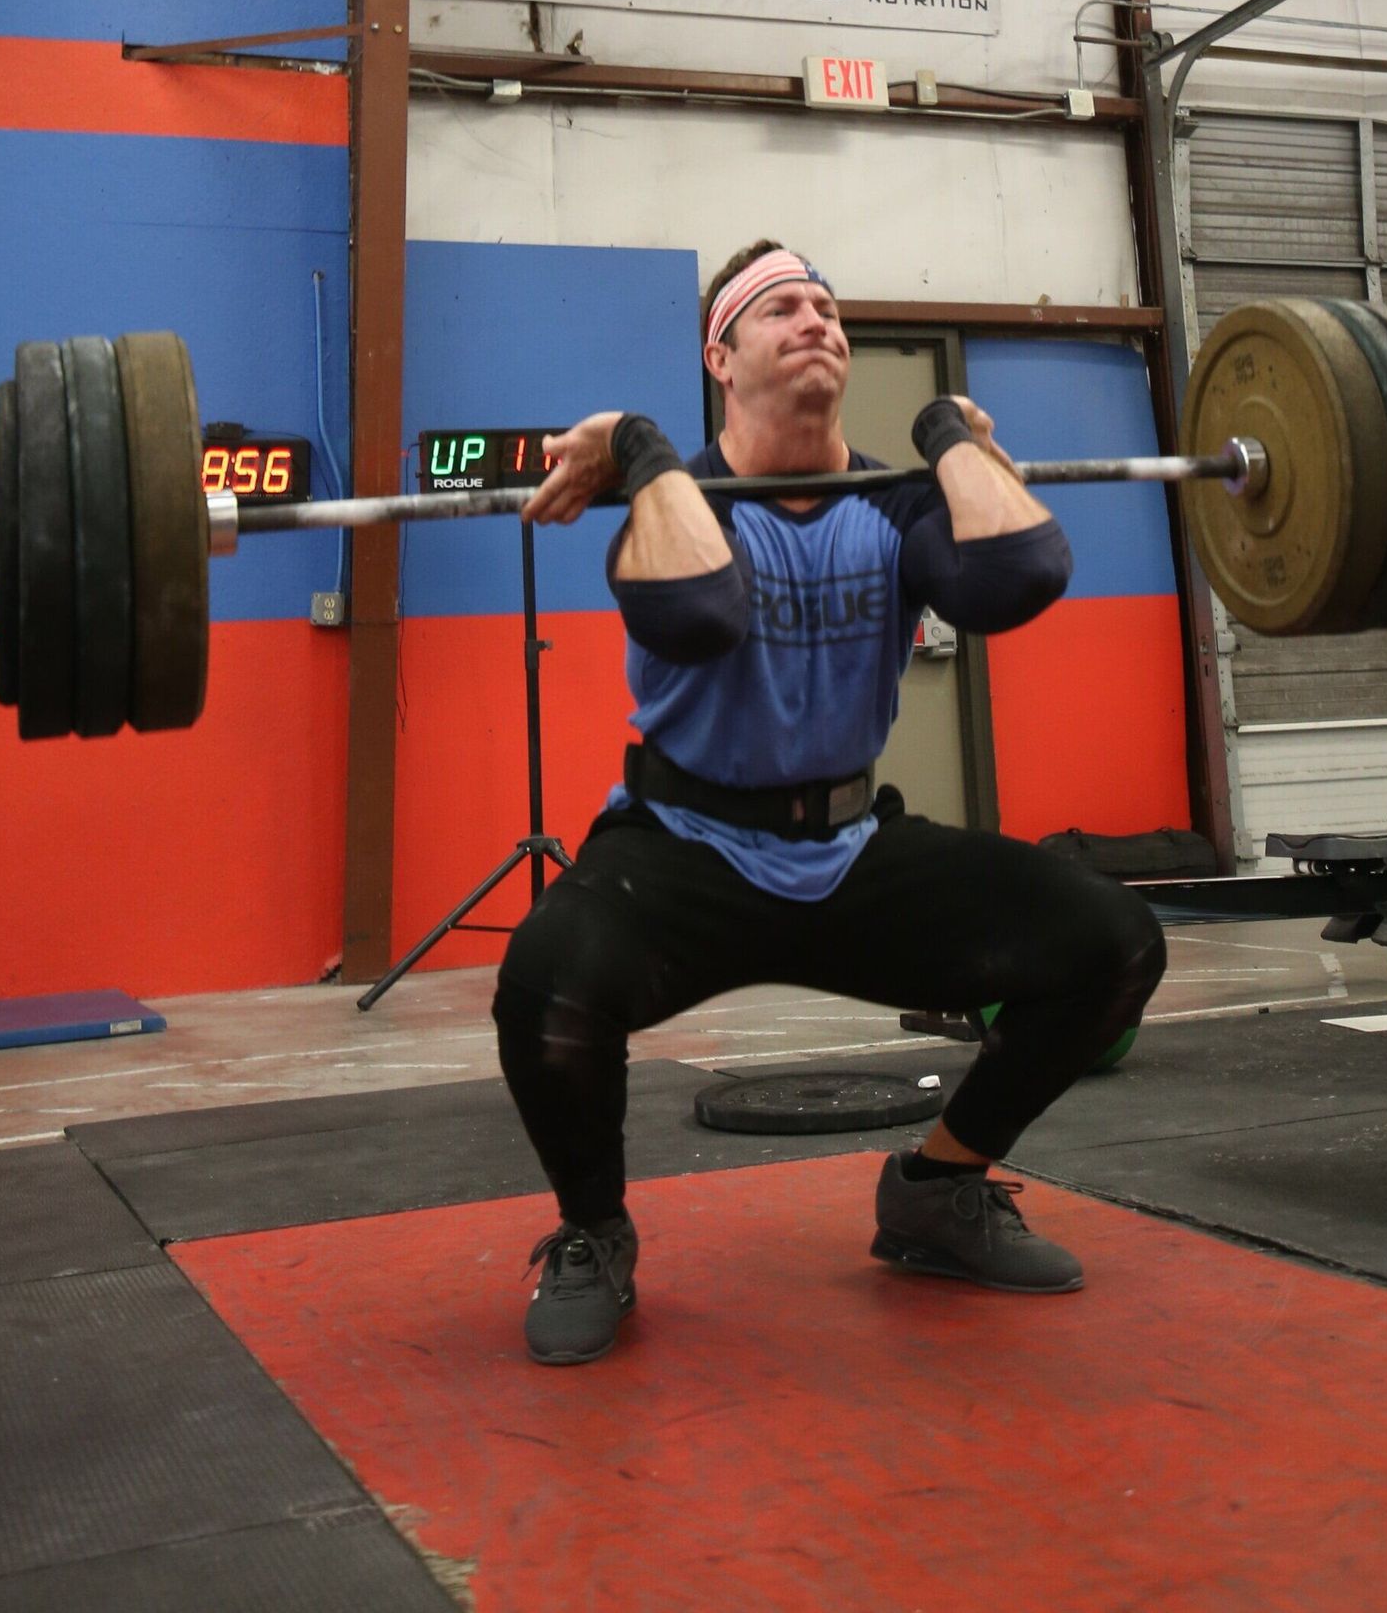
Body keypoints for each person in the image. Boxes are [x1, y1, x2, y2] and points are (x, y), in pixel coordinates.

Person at [495, 240, 1167, 1365]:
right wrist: (642, 449)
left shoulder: (898, 506)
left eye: (827, 308)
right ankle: (592, 1232)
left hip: (853, 847)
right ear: (722, 354)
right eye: (779, 310)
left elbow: (1020, 578)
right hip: (684, 849)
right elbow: (700, 611)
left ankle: (937, 1192)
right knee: (542, 988)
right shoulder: (670, 505)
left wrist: (950, 434)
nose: (816, 322)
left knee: (1114, 948)